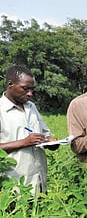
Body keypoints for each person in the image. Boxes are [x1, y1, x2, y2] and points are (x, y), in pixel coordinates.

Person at [0, 65, 59, 195]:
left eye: (32, 90)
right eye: (25, 89)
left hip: (39, 181)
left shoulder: (31, 107)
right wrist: (24, 142)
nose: (30, 94)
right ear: (10, 84)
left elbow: (44, 133)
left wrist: (50, 142)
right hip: (12, 187)